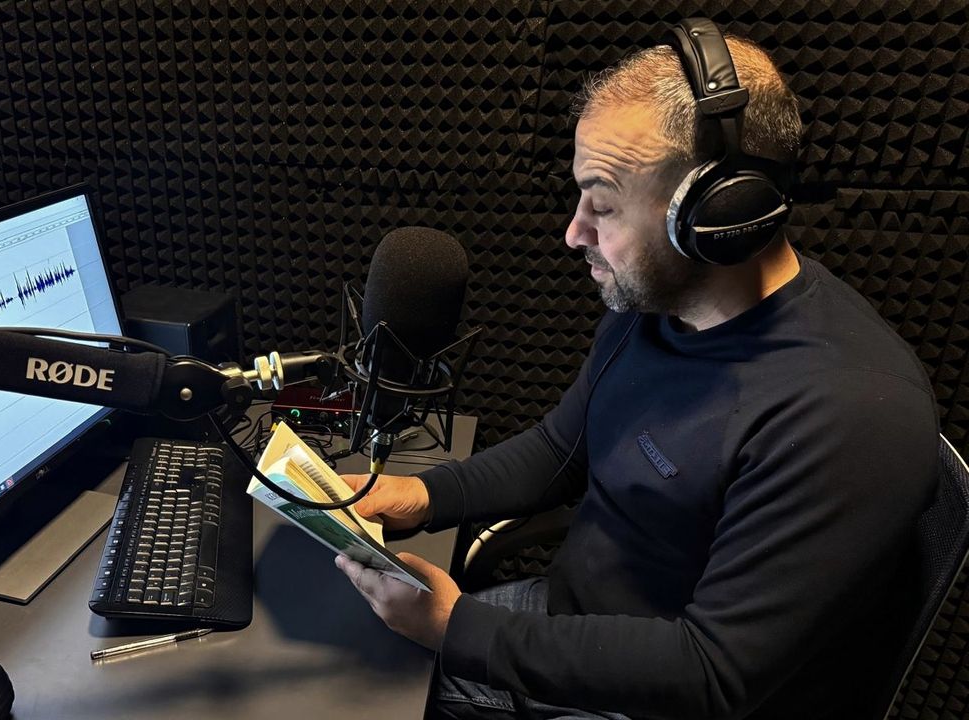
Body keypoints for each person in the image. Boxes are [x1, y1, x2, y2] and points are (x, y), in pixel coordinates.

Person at [333, 21, 939, 720]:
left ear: (720, 213)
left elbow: (712, 674)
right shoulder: (657, 303)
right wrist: (424, 495)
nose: (574, 233)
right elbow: (562, 447)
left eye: (604, 205)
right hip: (577, 623)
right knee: (347, 652)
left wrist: (453, 628)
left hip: (658, 692)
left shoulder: (848, 416)